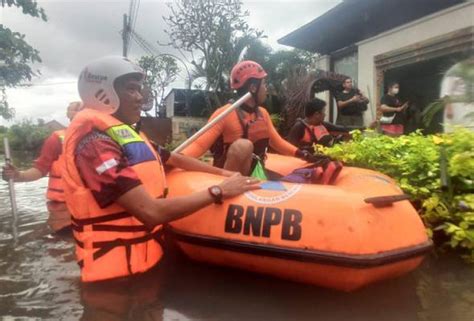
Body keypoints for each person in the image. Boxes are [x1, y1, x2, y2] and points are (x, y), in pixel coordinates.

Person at [62, 56, 259, 283]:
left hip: (144, 266)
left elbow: (174, 158)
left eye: (139, 90)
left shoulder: (126, 135)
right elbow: (151, 212)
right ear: (103, 93)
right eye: (131, 90)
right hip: (113, 285)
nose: (139, 97)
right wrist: (218, 191)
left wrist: (225, 174)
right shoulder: (95, 145)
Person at [181, 60, 315, 176]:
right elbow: (198, 145)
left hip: (254, 173)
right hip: (229, 178)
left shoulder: (262, 113)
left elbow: (277, 142)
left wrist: (304, 154)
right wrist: (173, 159)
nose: (266, 88)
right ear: (253, 88)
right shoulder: (225, 113)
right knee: (242, 146)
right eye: (263, 84)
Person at [2, 101, 83, 232]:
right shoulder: (57, 139)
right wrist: (18, 175)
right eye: (77, 112)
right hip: (62, 209)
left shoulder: (104, 138)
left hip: (93, 207)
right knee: (62, 248)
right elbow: (39, 169)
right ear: (70, 117)